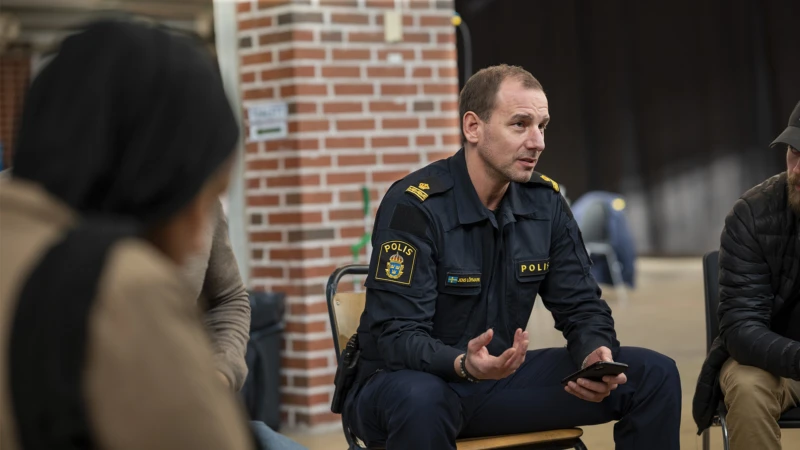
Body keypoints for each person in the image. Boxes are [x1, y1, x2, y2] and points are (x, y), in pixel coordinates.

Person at [340, 64, 681, 450]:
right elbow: (396, 336)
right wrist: (462, 364)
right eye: (520, 124)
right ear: (473, 128)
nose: (538, 142)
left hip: (494, 380)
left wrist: (594, 351)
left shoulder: (545, 204)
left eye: (542, 125)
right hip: (400, 385)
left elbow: (582, 305)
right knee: (422, 400)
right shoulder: (416, 205)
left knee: (655, 374)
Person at [0, 19, 275, 450]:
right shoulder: (119, 284)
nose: (197, 239)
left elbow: (229, 299)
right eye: (205, 200)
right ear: (151, 177)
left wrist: (219, 372)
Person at [693, 100, 800, 449]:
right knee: (748, 387)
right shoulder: (752, 215)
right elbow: (741, 329)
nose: (797, 169)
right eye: (794, 152)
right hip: (771, 362)